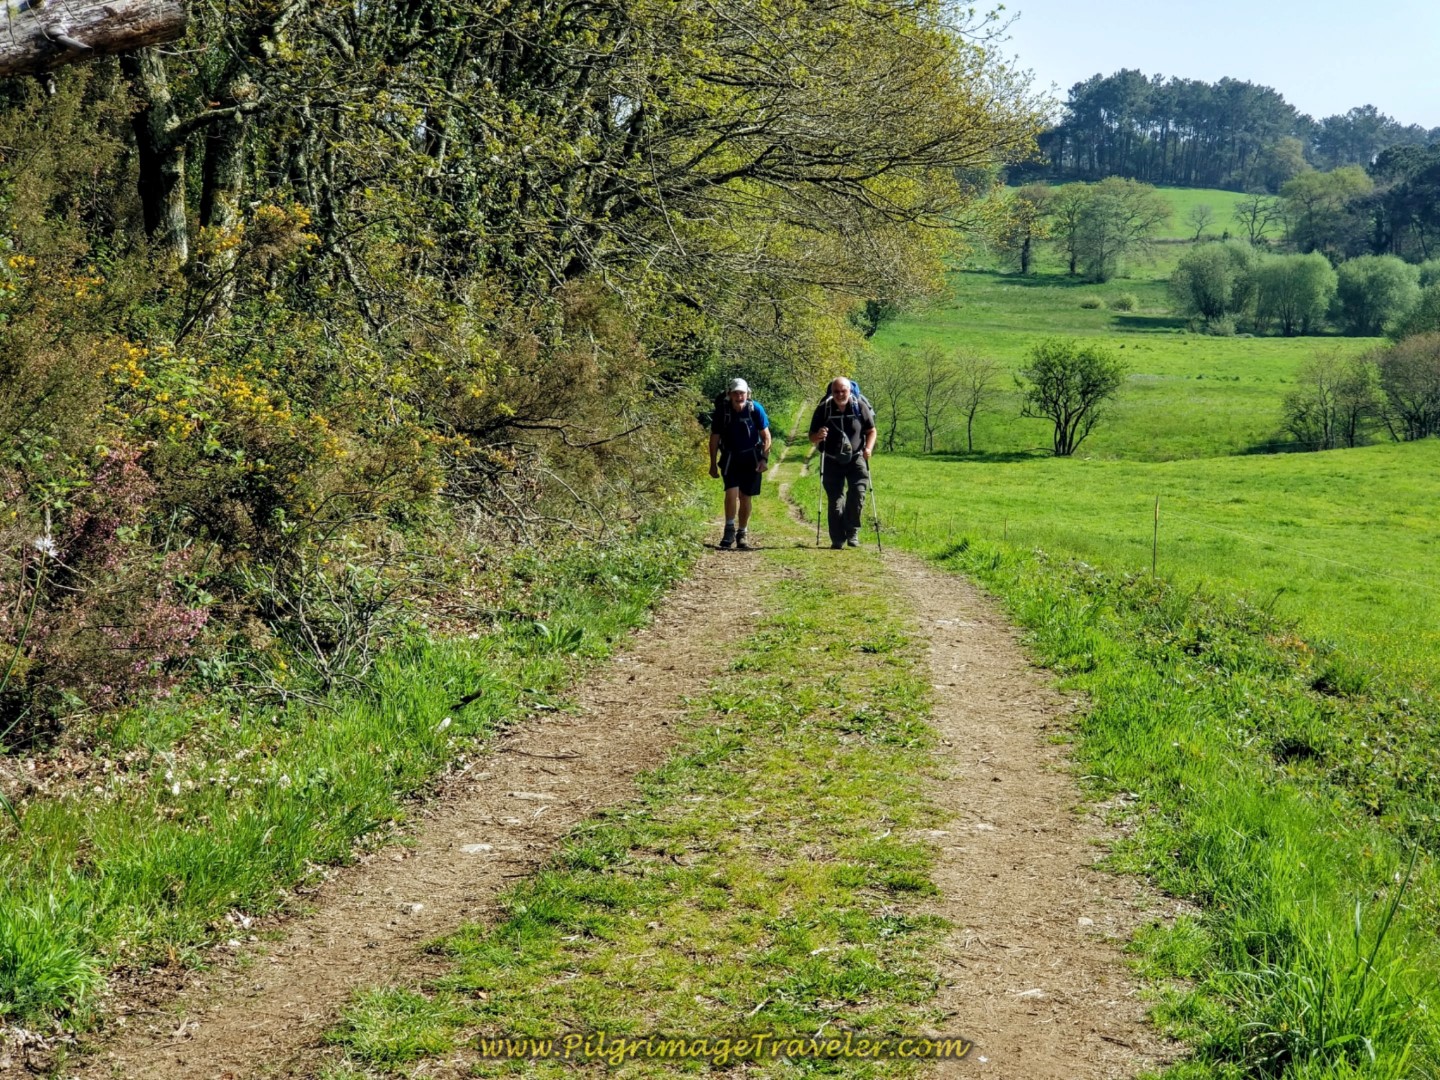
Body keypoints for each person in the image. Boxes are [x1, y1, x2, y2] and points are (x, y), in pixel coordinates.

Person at [809, 376, 876, 549]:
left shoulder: (859, 406)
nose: (840, 394)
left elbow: (871, 430)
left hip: (856, 458)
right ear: (832, 392)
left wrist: (868, 448)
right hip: (832, 460)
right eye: (836, 391)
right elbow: (811, 435)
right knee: (835, 500)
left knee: (858, 494)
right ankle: (837, 538)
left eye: (843, 391)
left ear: (849, 390)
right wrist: (818, 436)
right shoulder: (824, 408)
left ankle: (852, 531)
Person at [709, 378, 771, 550]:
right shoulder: (723, 411)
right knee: (731, 493)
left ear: (747, 394)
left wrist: (764, 459)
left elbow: (766, 436)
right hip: (730, 458)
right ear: (730, 394)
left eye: (742, 393)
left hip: (751, 458)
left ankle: (742, 533)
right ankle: (729, 530)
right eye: (735, 393)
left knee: (745, 497)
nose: (739, 396)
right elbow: (714, 438)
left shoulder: (755, 409)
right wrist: (712, 463)